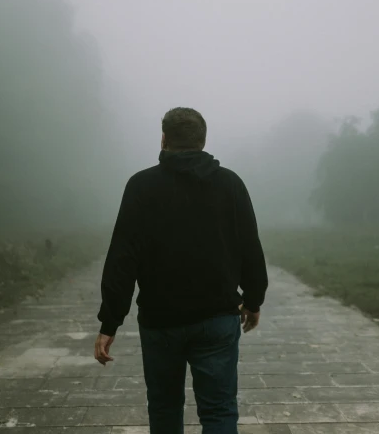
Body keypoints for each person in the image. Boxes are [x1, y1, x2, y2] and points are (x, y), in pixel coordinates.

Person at [95, 107, 269, 433]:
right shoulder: (230, 184)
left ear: (163, 139)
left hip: (161, 323)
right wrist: (253, 301)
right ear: (203, 141)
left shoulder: (141, 186)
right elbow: (250, 248)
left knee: (164, 409)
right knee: (218, 412)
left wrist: (110, 321)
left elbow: (122, 258)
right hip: (217, 320)